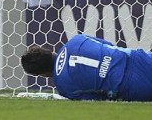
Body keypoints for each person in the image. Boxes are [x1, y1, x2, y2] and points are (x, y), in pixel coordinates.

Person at [21, 33, 152, 101]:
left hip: (131, 86)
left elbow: (96, 100)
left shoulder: (64, 87)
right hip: (138, 59)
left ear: (42, 74)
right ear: (48, 51)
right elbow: (108, 44)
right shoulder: (76, 40)